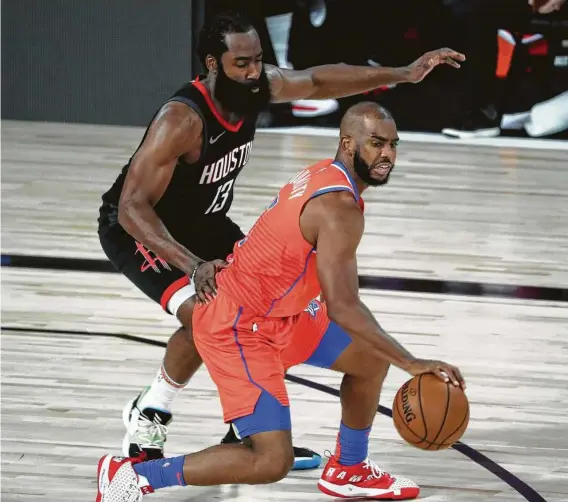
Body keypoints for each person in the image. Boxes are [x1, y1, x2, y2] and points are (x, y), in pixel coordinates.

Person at [97, 9, 465, 471]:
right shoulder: (182, 120)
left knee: (264, 306)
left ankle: (247, 433)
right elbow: (132, 207)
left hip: (206, 221)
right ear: (212, 64)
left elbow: (318, 81)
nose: (254, 74)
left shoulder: (255, 86)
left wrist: (402, 75)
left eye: (258, 61)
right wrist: (192, 264)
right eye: (241, 64)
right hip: (142, 229)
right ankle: (151, 410)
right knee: (209, 316)